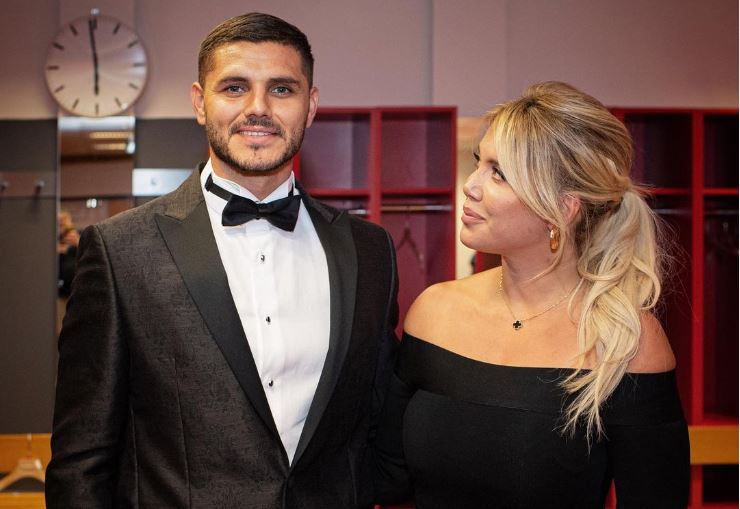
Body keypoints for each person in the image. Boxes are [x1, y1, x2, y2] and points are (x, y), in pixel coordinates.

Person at [46, 13, 398, 508]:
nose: (258, 109)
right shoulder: (119, 250)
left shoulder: (369, 250)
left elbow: (378, 428)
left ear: (311, 106)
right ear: (199, 102)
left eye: (281, 89)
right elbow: (81, 460)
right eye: (235, 88)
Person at [374, 82, 689, 508]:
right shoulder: (434, 311)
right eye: (479, 163)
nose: (471, 186)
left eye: (499, 174)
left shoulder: (627, 342)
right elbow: (388, 477)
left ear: (562, 208)